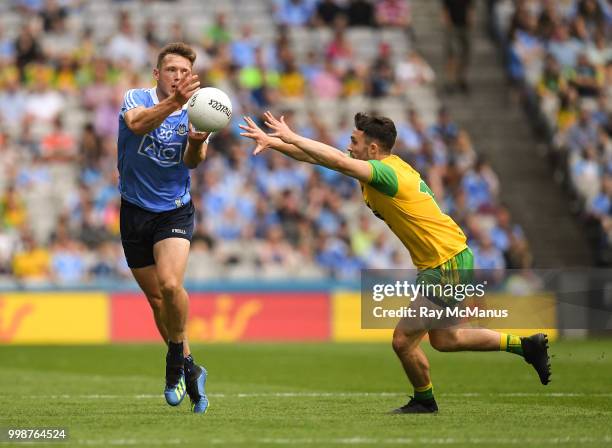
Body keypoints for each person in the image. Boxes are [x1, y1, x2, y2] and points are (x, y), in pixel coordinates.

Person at [239, 111, 551, 413]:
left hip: (446, 263)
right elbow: (321, 158)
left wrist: (292, 136)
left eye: (354, 141)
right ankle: (526, 346)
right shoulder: (385, 166)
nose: (349, 146)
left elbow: (335, 159)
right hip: (447, 258)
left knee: (402, 341)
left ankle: (424, 401)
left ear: (372, 148)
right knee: (445, 339)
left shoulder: (386, 174)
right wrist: (274, 143)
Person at [117, 42, 210, 414]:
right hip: (133, 209)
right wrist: (173, 104)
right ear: (157, 74)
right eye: (172, 70)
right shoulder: (134, 97)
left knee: (171, 285)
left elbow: (192, 162)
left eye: (185, 72)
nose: (178, 77)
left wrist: (197, 142)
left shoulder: (202, 109)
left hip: (174, 210)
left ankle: (174, 362)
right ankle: (189, 366)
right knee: (157, 299)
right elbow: (137, 124)